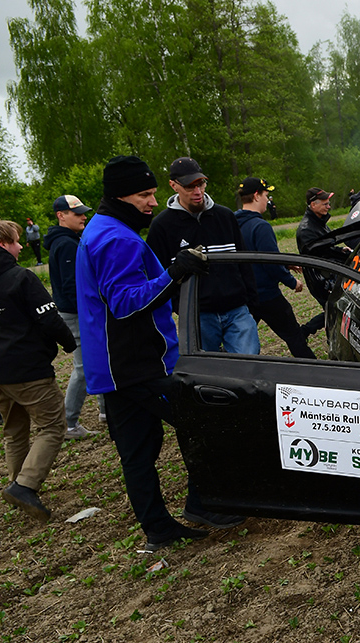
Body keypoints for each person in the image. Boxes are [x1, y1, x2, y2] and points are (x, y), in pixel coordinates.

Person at [77, 155, 243, 551]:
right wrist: (175, 272)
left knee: (138, 451)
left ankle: (158, 528)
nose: (153, 203)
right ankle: (204, 505)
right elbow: (125, 304)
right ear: (120, 196)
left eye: (152, 193)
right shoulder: (116, 239)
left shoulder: (101, 228)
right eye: (144, 195)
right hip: (138, 364)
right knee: (201, 420)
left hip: (112, 366)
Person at [0, 219, 76, 521]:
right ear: (2, 244)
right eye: (15, 241)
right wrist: (70, 344)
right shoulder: (21, 277)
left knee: (14, 430)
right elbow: (49, 318)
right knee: (53, 426)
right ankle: (24, 485)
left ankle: (17, 485)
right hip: (27, 370)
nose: (21, 246)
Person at [147, 157, 258, 354]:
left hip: (237, 310)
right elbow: (157, 275)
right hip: (197, 316)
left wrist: (250, 300)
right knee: (206, 369)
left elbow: (244, 262)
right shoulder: (162, 226)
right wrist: (180, 307)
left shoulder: (225, 216)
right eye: (190, 186)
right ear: (173, 185)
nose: (197, 191)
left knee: (249, 365)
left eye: (201, 184)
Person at [234, 177, 316, 359]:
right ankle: (314, 370)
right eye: (266, 195)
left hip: (245, 296)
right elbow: (270, 262)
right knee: (294, 336)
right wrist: (292, 282)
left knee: (241, 343)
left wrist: (285, 263)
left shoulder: (233, 224)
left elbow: (251, 258)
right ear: (256, 196)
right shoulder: (260, 226)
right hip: (267, 296)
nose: (267, 200)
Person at [45, 194, 104, 439]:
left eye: (83, 212)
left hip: (75, 312)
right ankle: (68, 424)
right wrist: (91, 311)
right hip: (76, 314)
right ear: (61, 215)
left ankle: (105, 410)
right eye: (77, 213)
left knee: (99, 358)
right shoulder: (67, 244)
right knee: (84, 367)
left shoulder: (67, 241)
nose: (83, 217)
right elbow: (73, 286)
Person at [296, 187, 353, 336]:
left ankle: (307, 331)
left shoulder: (319, 222)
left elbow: (327, 247)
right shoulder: (307, 229)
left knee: (335, 309)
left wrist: (341, 250)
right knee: (334, 309)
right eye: (325, 204)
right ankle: (306, 331)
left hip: (328, 274)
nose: (329, 207)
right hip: (320, 279)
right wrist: (340, 253)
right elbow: (322, 253)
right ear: (313, 205)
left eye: (328, 203)